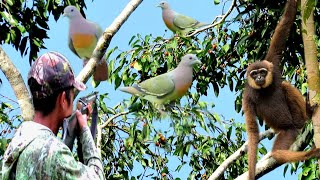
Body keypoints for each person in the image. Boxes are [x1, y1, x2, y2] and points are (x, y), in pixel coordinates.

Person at [1, 51, 105, 179]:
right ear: (62, 99)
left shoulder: (17, 144)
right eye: (72, 93)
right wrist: (84, 129)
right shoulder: (55, 152)